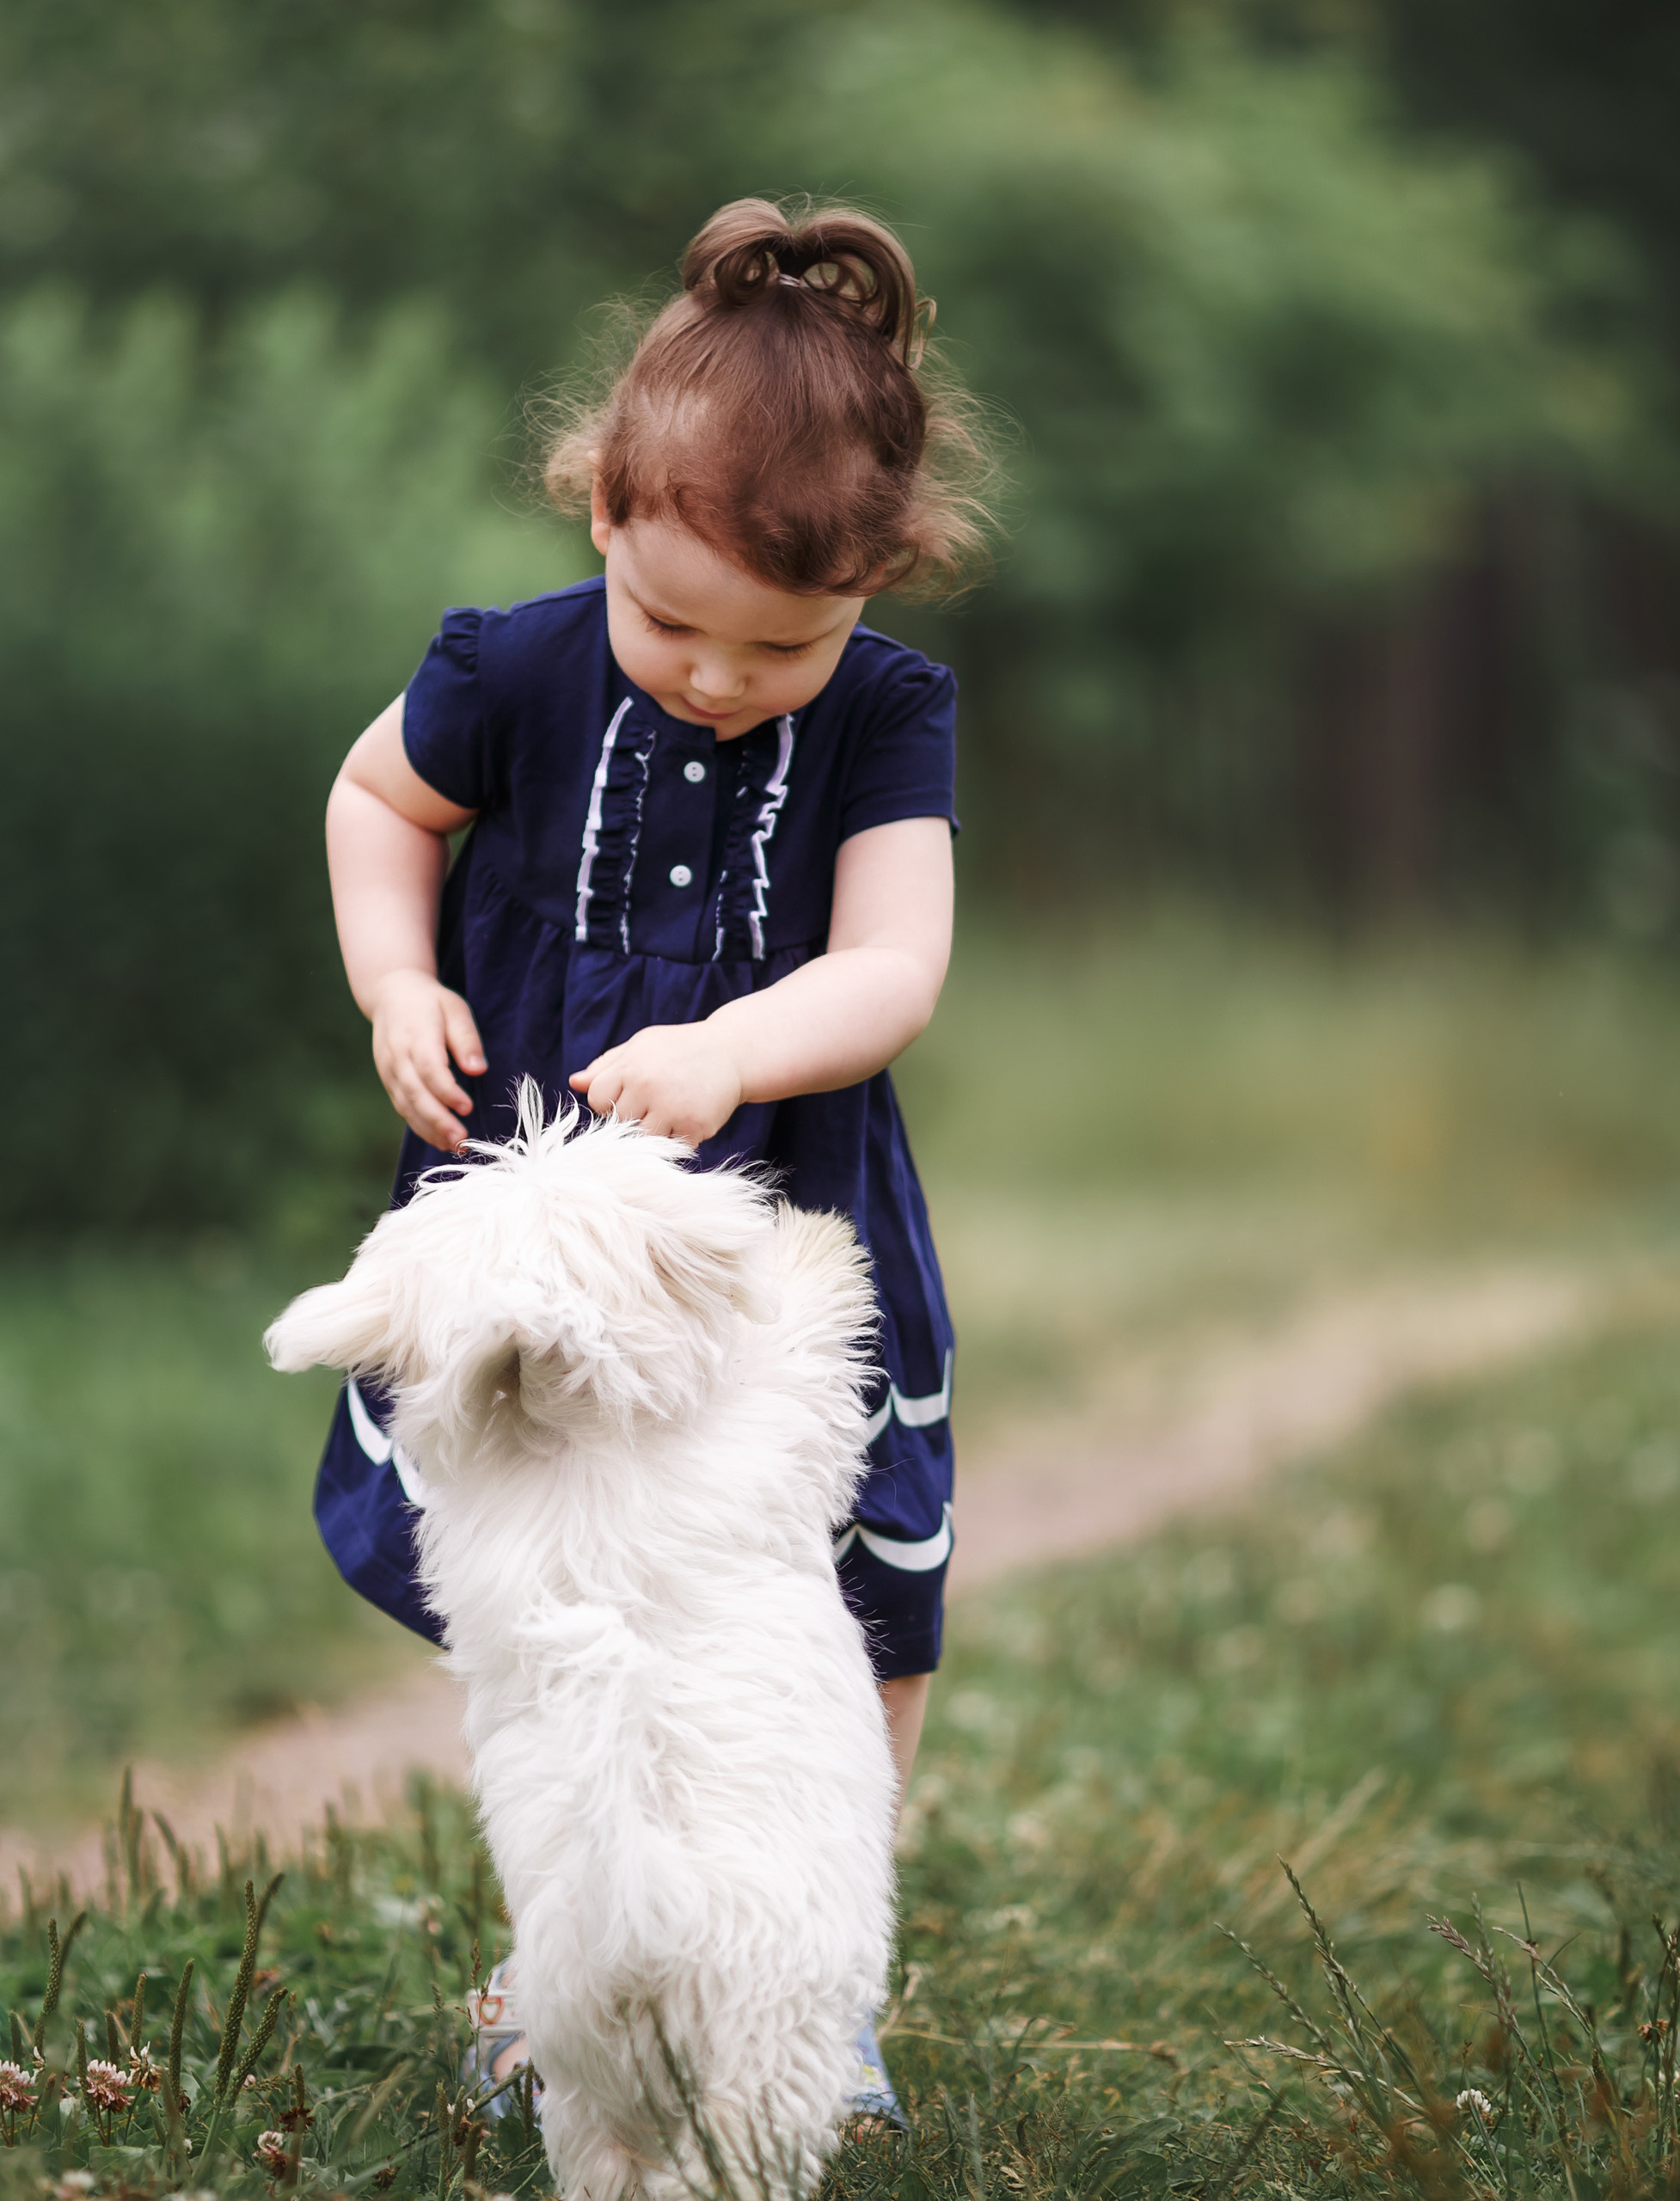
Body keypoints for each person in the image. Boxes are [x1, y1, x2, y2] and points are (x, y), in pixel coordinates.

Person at [311, 196, 989, 2130]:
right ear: (601, 509)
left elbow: (893, 964)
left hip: (776, 1228)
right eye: (671, 622)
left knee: (854, 1584)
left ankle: (812, 1959)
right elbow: (378, 799)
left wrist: (727, 1045)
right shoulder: (510, 670)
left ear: (880, 582)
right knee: (559, 1596)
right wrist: (391, 978)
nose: (712, 676)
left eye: (782, 641)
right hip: (552, 1228)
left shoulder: (887, 718)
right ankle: (568, 1951)